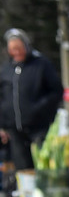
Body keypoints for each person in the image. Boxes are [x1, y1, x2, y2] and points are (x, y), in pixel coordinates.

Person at [0, 29, 64, 182]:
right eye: (12, 49)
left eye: (19, 48)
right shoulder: (6, 70)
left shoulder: (41, 65)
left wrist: (39, 109)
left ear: (26, 46)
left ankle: (45, 193)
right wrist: (2, 125)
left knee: (42, 166)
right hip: (15, 131)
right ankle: (26, 196)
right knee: (22, 170)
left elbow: (56, 91)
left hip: (39, 128)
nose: (16, 52)